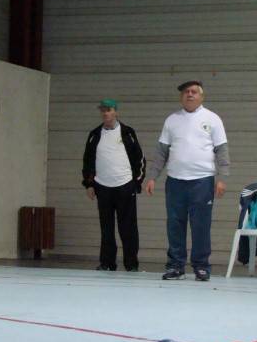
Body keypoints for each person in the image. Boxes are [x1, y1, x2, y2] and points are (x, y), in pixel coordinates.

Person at [145, 81, 230, 281]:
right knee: (175, 224)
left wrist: (222, 177)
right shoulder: (172, 120)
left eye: (193, 92)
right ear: (181, 97)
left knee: (201, 224)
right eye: (185, 92)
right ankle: (175, 266)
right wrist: (152, 177)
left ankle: (201, 266)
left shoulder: (212, 119)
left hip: (202, 181)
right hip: (175, 182)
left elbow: (222, 150)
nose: (189, 95)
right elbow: (161, 152)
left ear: (201, 96)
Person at [82, 99, 145, 271]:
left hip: (125, 186)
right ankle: (107, 262)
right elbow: (87, 161)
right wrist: (89, 184)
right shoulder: (94, 134)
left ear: (116, 112)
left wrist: (136, 183)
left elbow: (139, 159)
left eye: (108, 110)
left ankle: (131, 264)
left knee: (128, 228)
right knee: (106, 228)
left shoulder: (128, 133)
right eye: (102, 110)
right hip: (103, 187)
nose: (105, 113)